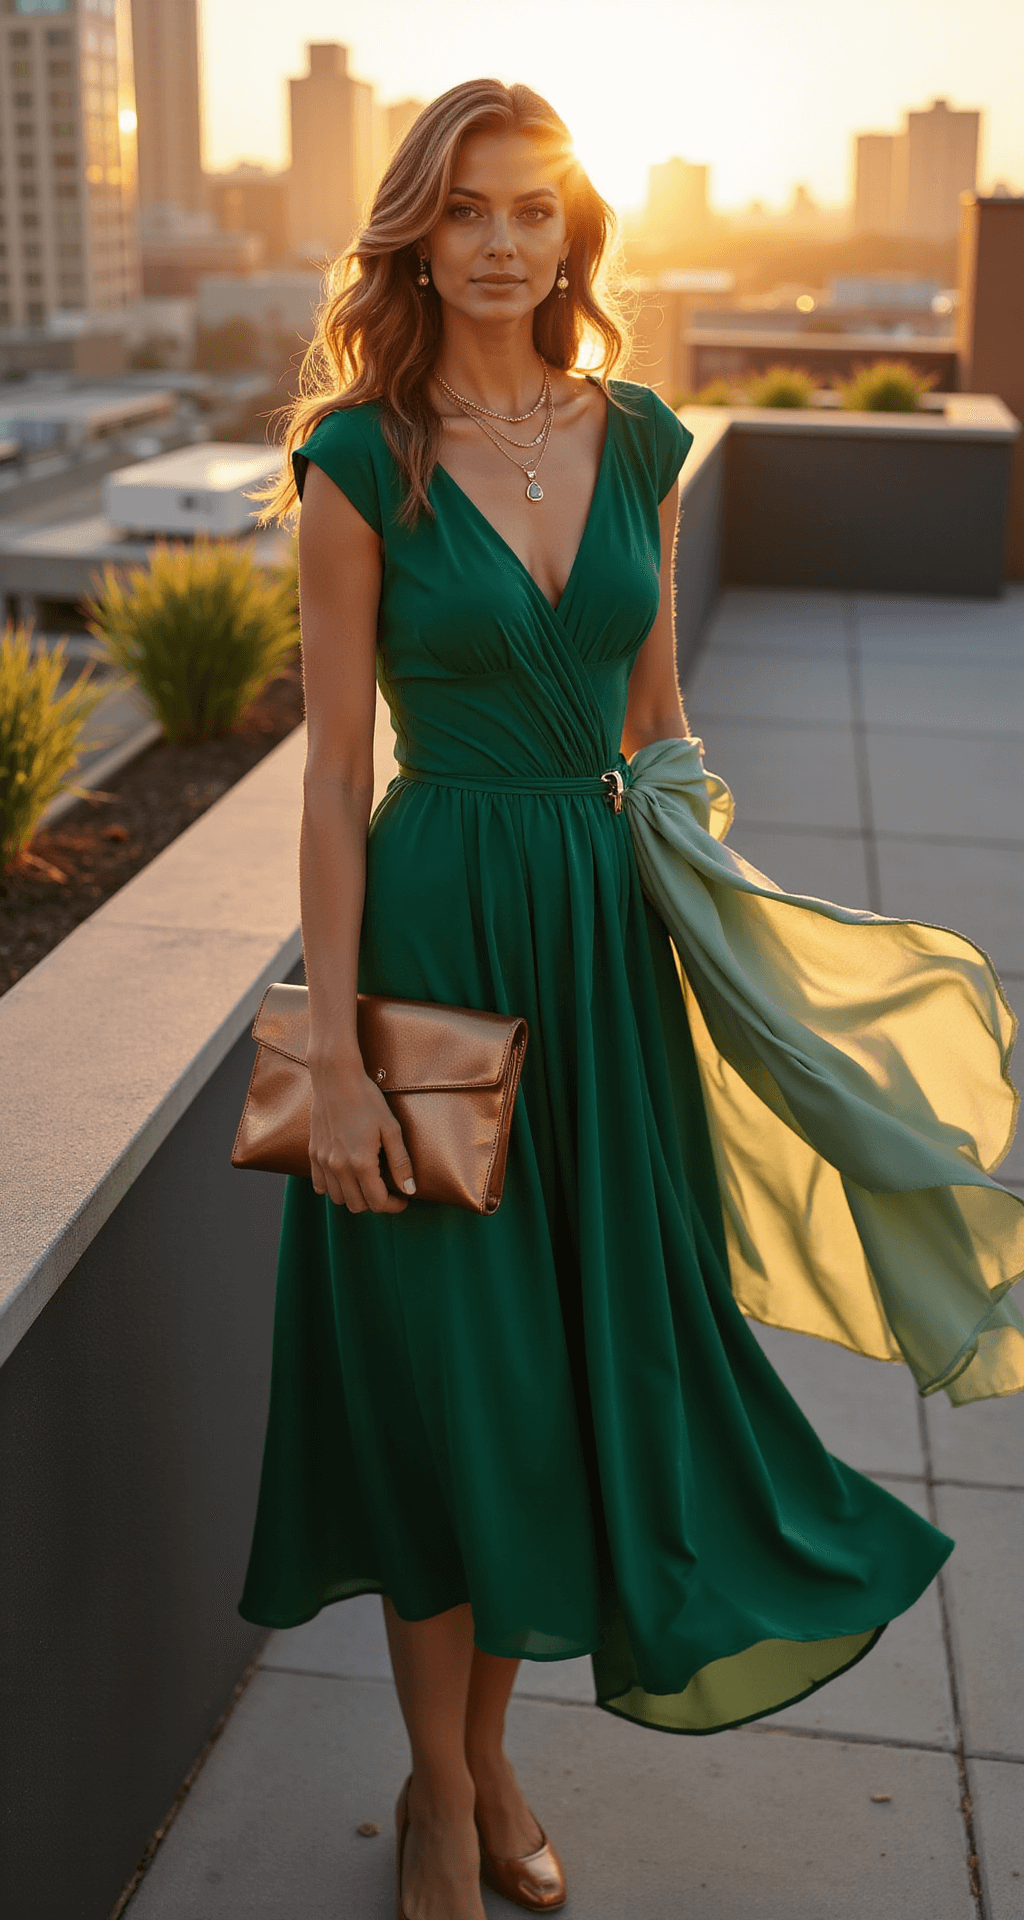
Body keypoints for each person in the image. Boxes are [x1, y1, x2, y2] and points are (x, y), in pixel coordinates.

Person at [240, 80, 1024, 1920]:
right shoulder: (360, 463)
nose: (503, 242)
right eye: (467, 212)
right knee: (453, 1398)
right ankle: (443, 1804)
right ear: (415, 233)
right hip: (437, 947)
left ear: (572, 235)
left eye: (534, 212)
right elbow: (331, 774)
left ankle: (488, 1761)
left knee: (554, 1394)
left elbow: (658, 731)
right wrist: (338, 1051)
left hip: (601, 964)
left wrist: (743, 953)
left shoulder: (642, 435)